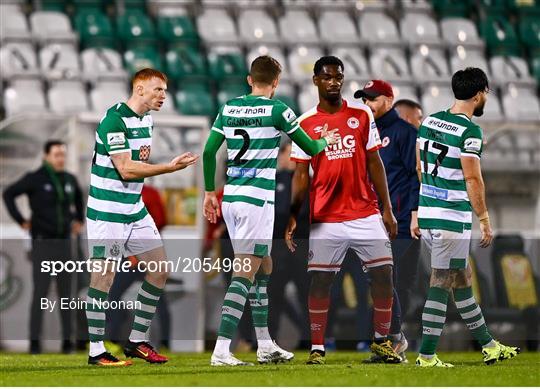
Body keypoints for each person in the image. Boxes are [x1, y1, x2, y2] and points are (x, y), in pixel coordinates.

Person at [202, 55, 338, 366]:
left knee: (264, 267)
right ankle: (222, 349)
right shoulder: (278, 109)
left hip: (233, 199)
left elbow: (209, 151)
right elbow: (311, 147)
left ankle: (265, 344)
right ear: (275, 83)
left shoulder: (229, 107)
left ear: (250, 80)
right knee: (245, 272)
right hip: (256, 202)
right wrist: (325, 140)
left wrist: (210, 191)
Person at [285, 56, 401, 365]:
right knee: (321, 282)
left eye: (338, 77)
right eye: (327, 77)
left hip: (365, 211)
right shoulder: (305, 122)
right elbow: (300, 175)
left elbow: (375, 163)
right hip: (326, 216)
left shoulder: (362, 114)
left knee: (384, 275)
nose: (333, 82)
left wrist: (387, 210)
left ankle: (381, 342)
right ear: (316, 81)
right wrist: (294, 215)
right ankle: (318, 348)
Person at [85, 68, 198, 366]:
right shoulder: (114, 120)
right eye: (157, 89)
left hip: (134, 209)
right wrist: (169, 169)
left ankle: (135, 341)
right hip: (107, 211)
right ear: (139, 90)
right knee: (103, 278)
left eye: (165, 90)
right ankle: (96, 351)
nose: (163, 95)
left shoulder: (146, 119)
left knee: (159, 271)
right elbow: (126, 168)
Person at [415, 67, 519, 367]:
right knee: (442, 280)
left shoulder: (430, 121)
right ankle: (426, 355)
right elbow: (473, 179)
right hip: (451, 217)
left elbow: (420, 168)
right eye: (485, 93)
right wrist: (484, 218)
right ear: (478, 94)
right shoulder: (469, 131)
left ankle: (488, 344)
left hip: (428, 212)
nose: (485, 97)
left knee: (462, 277)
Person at [354, 80, 422, 362]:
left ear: (389, 99)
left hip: (403, 220)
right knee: (395, 282)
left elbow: (415, 176)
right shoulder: (364, 132)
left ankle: (393, 338)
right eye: (364, 99)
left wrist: (416, 214)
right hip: (374, 220)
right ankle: (389, 340)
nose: (367, 104)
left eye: (373, 99)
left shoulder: (405, 133)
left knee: (383, 277)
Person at [3, 140, 84, 354]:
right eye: (57, 154)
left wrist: (79, 219)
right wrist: (21, 220)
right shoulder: (35, 178)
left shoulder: (69, 179)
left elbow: (78, 198)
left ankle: (68, 342)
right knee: (40, 294)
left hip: (65, 244)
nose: (61, 159)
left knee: (68, 295)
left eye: (63, 155)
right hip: (43, 244)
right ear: (46, 156)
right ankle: (35, 342)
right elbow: (8, 194)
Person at [106, 184, 171, 350]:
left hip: (141, 255)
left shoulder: (149, 194)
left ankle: (163, 341)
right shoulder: (123, 193)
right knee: (114, 296)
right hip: (130, 255)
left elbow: (159, 222)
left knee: (115, 295)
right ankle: (114, 339)